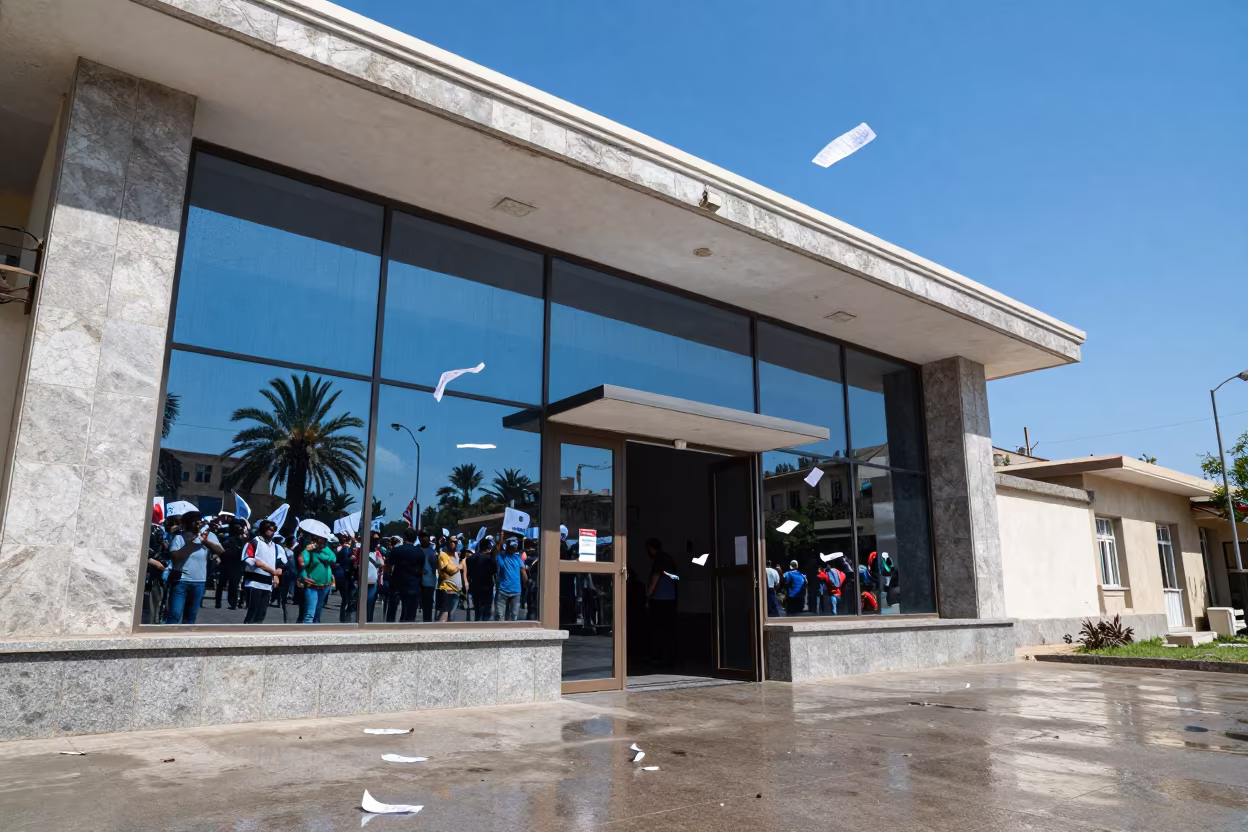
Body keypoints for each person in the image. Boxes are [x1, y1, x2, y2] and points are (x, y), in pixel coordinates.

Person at [166, 510, 222, 624]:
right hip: (181, 581)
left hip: (199, 582)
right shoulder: (180, 538)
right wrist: (193, 543)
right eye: (195, 523)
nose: (198, 525)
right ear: (187, 524)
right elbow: (175, 557)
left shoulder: (208, 536)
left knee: (191, 617)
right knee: (175, 614)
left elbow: (220, 551)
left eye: (199, 522)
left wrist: (205, 541)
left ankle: (185, 639)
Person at [644, 538, 678, 668]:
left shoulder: (659, 560)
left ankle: (659, 658)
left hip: (659, 599)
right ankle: (669, 658)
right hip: (670, 599)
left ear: (652, 548)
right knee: (668, 630)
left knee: (657, 630)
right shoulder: (669, 559)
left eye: (648, 549)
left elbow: (655, 578)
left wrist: (648, 596)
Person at [241, 520, 282, 624]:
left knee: (261, 613)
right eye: (268, 529)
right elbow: (251, 560)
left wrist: (277, 573)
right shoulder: (254, 542)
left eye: (273, 530)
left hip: (268, 584)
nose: (270, 532)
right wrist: (272, 571)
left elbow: (281, 563)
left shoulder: (275, 546)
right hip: (254, 582)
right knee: (252, 612)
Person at [386, 528, 426, 622]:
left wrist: (389, 578)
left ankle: (390, 626)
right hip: (412, 584)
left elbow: (389, 565)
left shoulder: (396, 550)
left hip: (397, 583)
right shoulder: (420, 552)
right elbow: (421, 569)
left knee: (392, 609)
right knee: (410, 613)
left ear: (404, 537)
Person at [298, 532, 336, 624]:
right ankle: (306, 634)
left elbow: (333, 559)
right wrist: (307, 551)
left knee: (317, 614)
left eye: (324, 540)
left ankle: (316, 634)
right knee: (309, 614)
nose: (322, 542)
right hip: (312, 586)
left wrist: (322, 551)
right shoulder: (308, 551)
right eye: (319, 540)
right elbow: (302, 563)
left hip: (325, 586)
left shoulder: (326, 549)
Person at [214, 518, 246, 610]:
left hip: (237, 565)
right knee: (221, 584)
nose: (238, 529)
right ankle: (218, 602)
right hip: (225, 563)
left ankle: (233, 602)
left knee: (234, 584)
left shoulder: (243, 540)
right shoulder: (226, 538)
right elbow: (221, 550)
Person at [494, 536, 527, 621]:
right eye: (512, 546)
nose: (514, 547)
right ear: (507, 545)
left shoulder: (516, 558)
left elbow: (523, 572)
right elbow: (496, 550)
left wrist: (525, 584)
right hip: (504, 591)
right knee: (504, 617)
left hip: (513, 591)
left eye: (515, 546)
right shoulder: (501, 556)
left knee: (510, 617)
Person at [466, 536, 497, 622]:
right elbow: (495, 571)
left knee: (477, 609)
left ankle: (476, 624)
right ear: (488, 547)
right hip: (487, 586)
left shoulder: (471, 558)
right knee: (486, 609)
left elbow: (468, 572)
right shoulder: (490, 559)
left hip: (475, 586)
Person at [146, 522, 171, 624]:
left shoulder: (166, 547)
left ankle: (157, 619)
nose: (159, 537)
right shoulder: (152, 548)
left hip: (162, 577)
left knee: (160, 601)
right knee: (155, 602)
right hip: (154, 576)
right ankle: (154, 620)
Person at [436, 536, 465, 621]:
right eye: (452, 542)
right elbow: (448, 569)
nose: (454, 544)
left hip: (456, 589)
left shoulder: (456, 555)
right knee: (444, 613)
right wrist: (459, 566)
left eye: (456, 542)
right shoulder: (443, 555)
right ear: (448, 543)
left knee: (451, 615)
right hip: (446, 589)